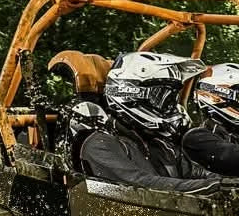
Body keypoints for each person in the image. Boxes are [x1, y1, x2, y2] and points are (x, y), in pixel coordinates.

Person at [80, 51, 228, 193]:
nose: (170, 106)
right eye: (160, 96)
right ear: (129, 94)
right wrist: (214, 186)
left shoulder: (159, 144)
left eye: (171, 97)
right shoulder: (100, 144)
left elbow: (198, 173)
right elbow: (143, 185)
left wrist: (235, 182)